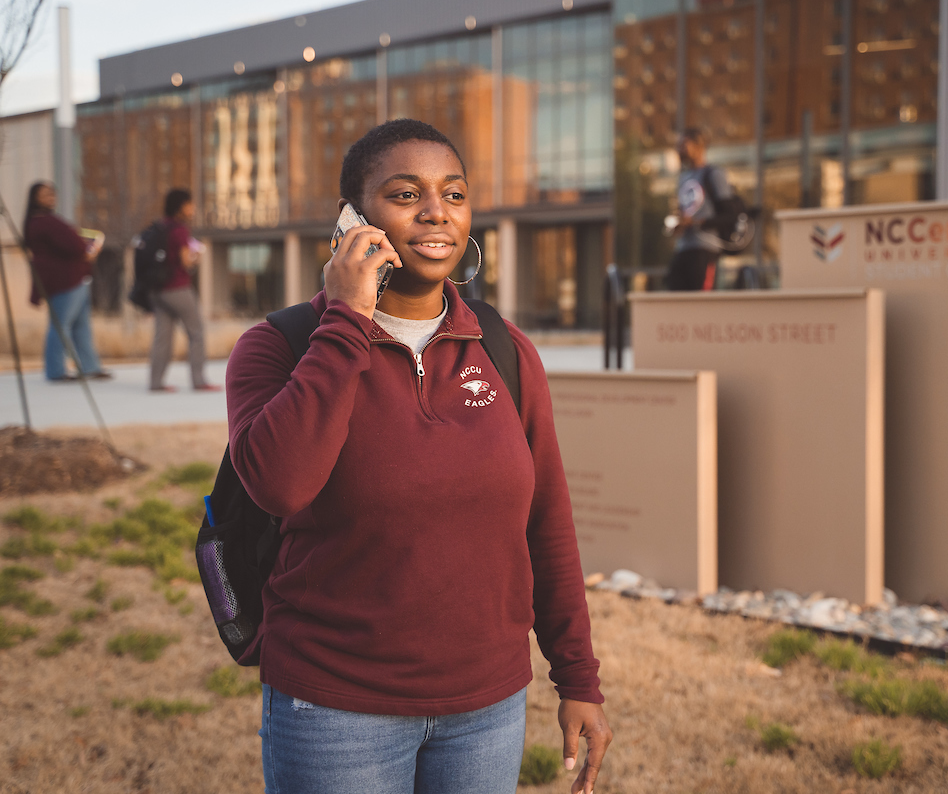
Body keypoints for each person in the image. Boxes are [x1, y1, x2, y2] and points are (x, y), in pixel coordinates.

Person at [225, 118, 613, 794]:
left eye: (454, 194)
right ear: (352, 220)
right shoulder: (279, 347)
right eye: (406, 194)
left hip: (487, 708)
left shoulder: (505, 350)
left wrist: (577, 676)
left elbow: (546, 521)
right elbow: (281, 485)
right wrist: (347, 320)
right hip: (336, 710)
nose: (437, 211)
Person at [23, 181, 112, 382]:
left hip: (73, 280)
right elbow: (74, 245)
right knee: (60, 326)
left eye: (52, 193)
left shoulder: (39, 222)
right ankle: (55, 371)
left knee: (80, 326)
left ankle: (90, 367)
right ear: (34, 198)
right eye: (45, 194)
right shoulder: (45, 222)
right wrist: (87, 251)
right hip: (66, 282)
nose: (51, 197)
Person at [149, 188, 218, 392]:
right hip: (177, 288)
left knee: (162, 337)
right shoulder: (179, 230)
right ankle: (199, 381)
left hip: (158, 290)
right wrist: (197, 255)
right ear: (181, 207)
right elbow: (186, 261)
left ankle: (156, 382)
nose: (192, 208)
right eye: (190, 204)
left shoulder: (160, 227)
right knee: (196, 333)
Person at [665, 127, 734, 291]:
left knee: (701, 304)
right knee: (674, 297)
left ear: (699, 146)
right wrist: (679, 224)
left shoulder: (714, 174)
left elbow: (729, 214)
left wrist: (696, 222)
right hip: (684, 247)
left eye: (684, 144)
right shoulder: (683, 177)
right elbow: (685, 212)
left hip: (705, 248)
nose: (679, 149)